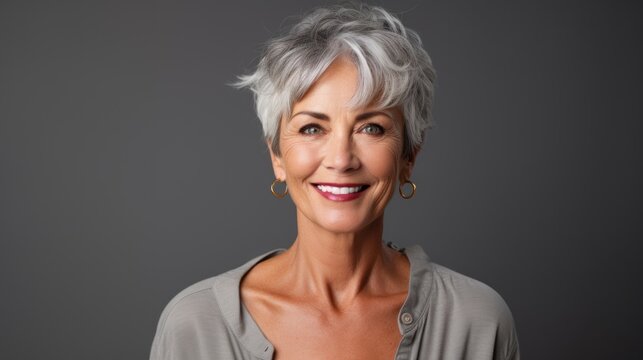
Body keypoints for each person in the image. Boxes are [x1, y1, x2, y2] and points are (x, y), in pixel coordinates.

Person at [150, 4, 519, 360]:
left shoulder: (476, 321)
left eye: (371, 128)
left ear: (409, 157)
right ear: (276, 157)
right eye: (312, 128)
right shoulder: (195, 325)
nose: (341, 160)